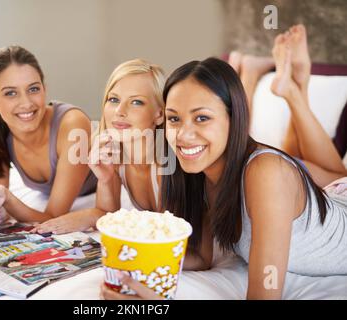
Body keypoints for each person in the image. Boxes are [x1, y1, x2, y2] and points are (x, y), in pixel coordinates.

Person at [101, 33, 347, 300]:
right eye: (174, 119)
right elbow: (200, 256)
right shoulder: (193, 170)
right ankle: (293, 91)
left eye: (202, 118)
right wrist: (135, 265)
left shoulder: (266, 173)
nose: (183, 135)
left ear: (235, 117)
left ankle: (295, 91)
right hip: (328, 194)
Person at [31, 59, 166, 235]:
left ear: (160, 114)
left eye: (136, 102)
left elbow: (169, 231)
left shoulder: (167, 164)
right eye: (114, 99)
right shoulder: (115, 154)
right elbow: (107, 212)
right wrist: (105, 179)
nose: (119, 111)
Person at [0, 46, 97, 225]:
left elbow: (54, 217)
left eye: (33, 89)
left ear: (44, 89)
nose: (26, 103)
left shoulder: (73, 125)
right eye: (11, 93)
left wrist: (8, 201)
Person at [228, 24, 346, 187]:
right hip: (279, 173)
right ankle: (296, 88)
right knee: (339, 179)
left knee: (291, 159)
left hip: (278, 173)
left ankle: (296, 87)